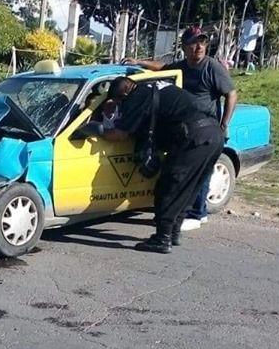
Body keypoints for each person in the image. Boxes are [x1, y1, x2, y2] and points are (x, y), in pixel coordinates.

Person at [80, 77, 224, 253]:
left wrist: (97, 129)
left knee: (169, 187)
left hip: (193, 138)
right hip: (214, 135)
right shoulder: (155, 85)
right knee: (189, 188)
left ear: (124, 92)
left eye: (119, 101)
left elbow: (120, 134)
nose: (120, 105)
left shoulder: (136, 97)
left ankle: (162, 239)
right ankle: (173, 233)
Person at [124, 27, 237, 231]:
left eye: (202, 42)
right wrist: (139, 62)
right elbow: (163, 67)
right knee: (181, 170)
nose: (199, 46)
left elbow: (231, 94)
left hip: (207, 128)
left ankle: (197, 213)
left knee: (201, 170)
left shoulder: (211, 67)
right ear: (185, 47)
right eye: (194, 42)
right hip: (185, 128)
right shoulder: (183, 66)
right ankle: (176, 212)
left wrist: (224, 124)